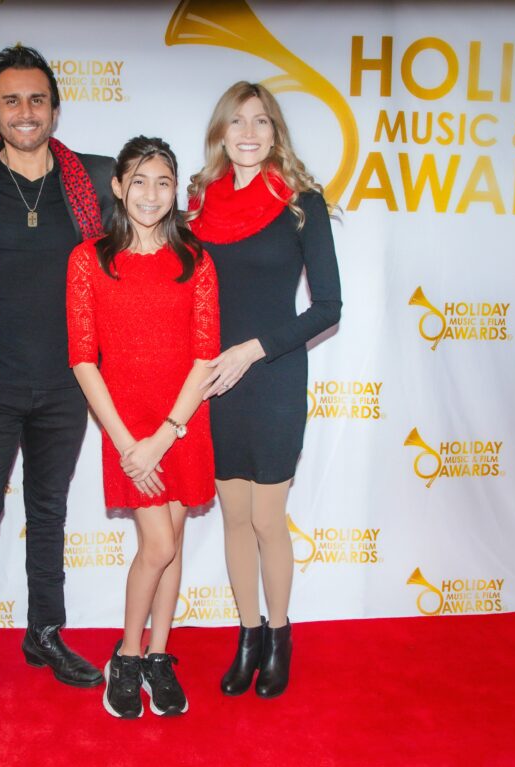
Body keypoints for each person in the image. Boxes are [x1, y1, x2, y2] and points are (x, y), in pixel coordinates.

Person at [0, 44, 115, 723]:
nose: (25, 111)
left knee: (49, 512)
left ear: (55, 109)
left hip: (68, 384)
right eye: (11, 100)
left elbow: (159, 213)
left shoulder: (92, 181)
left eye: (37, 99)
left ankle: (45, 633)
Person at [188, 82, 342, 699]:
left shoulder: (302, 202)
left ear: (275, 133)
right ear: (221, 133)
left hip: (272, 374)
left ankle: (279, 635)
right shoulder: (196, 207)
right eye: (237, 122)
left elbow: (328, 307)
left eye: (261, 122)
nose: (248, 133)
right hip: (217, 382)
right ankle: (246, 634)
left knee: (267, 518)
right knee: (233, 516)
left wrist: (254, 349)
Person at [67, 136, 219, 718]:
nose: (151, 195)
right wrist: (130, 442)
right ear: (117, 186)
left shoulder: (196, 259)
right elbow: (83, 358)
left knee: (172, 542)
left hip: (181, 423)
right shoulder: (88, 259)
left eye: (163, 182)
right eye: (139, 181)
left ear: (176, 190)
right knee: (157, 543)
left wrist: (166, 434)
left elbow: (206, 355)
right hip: (126, 429)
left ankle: (158, 654)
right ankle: (126, 657)